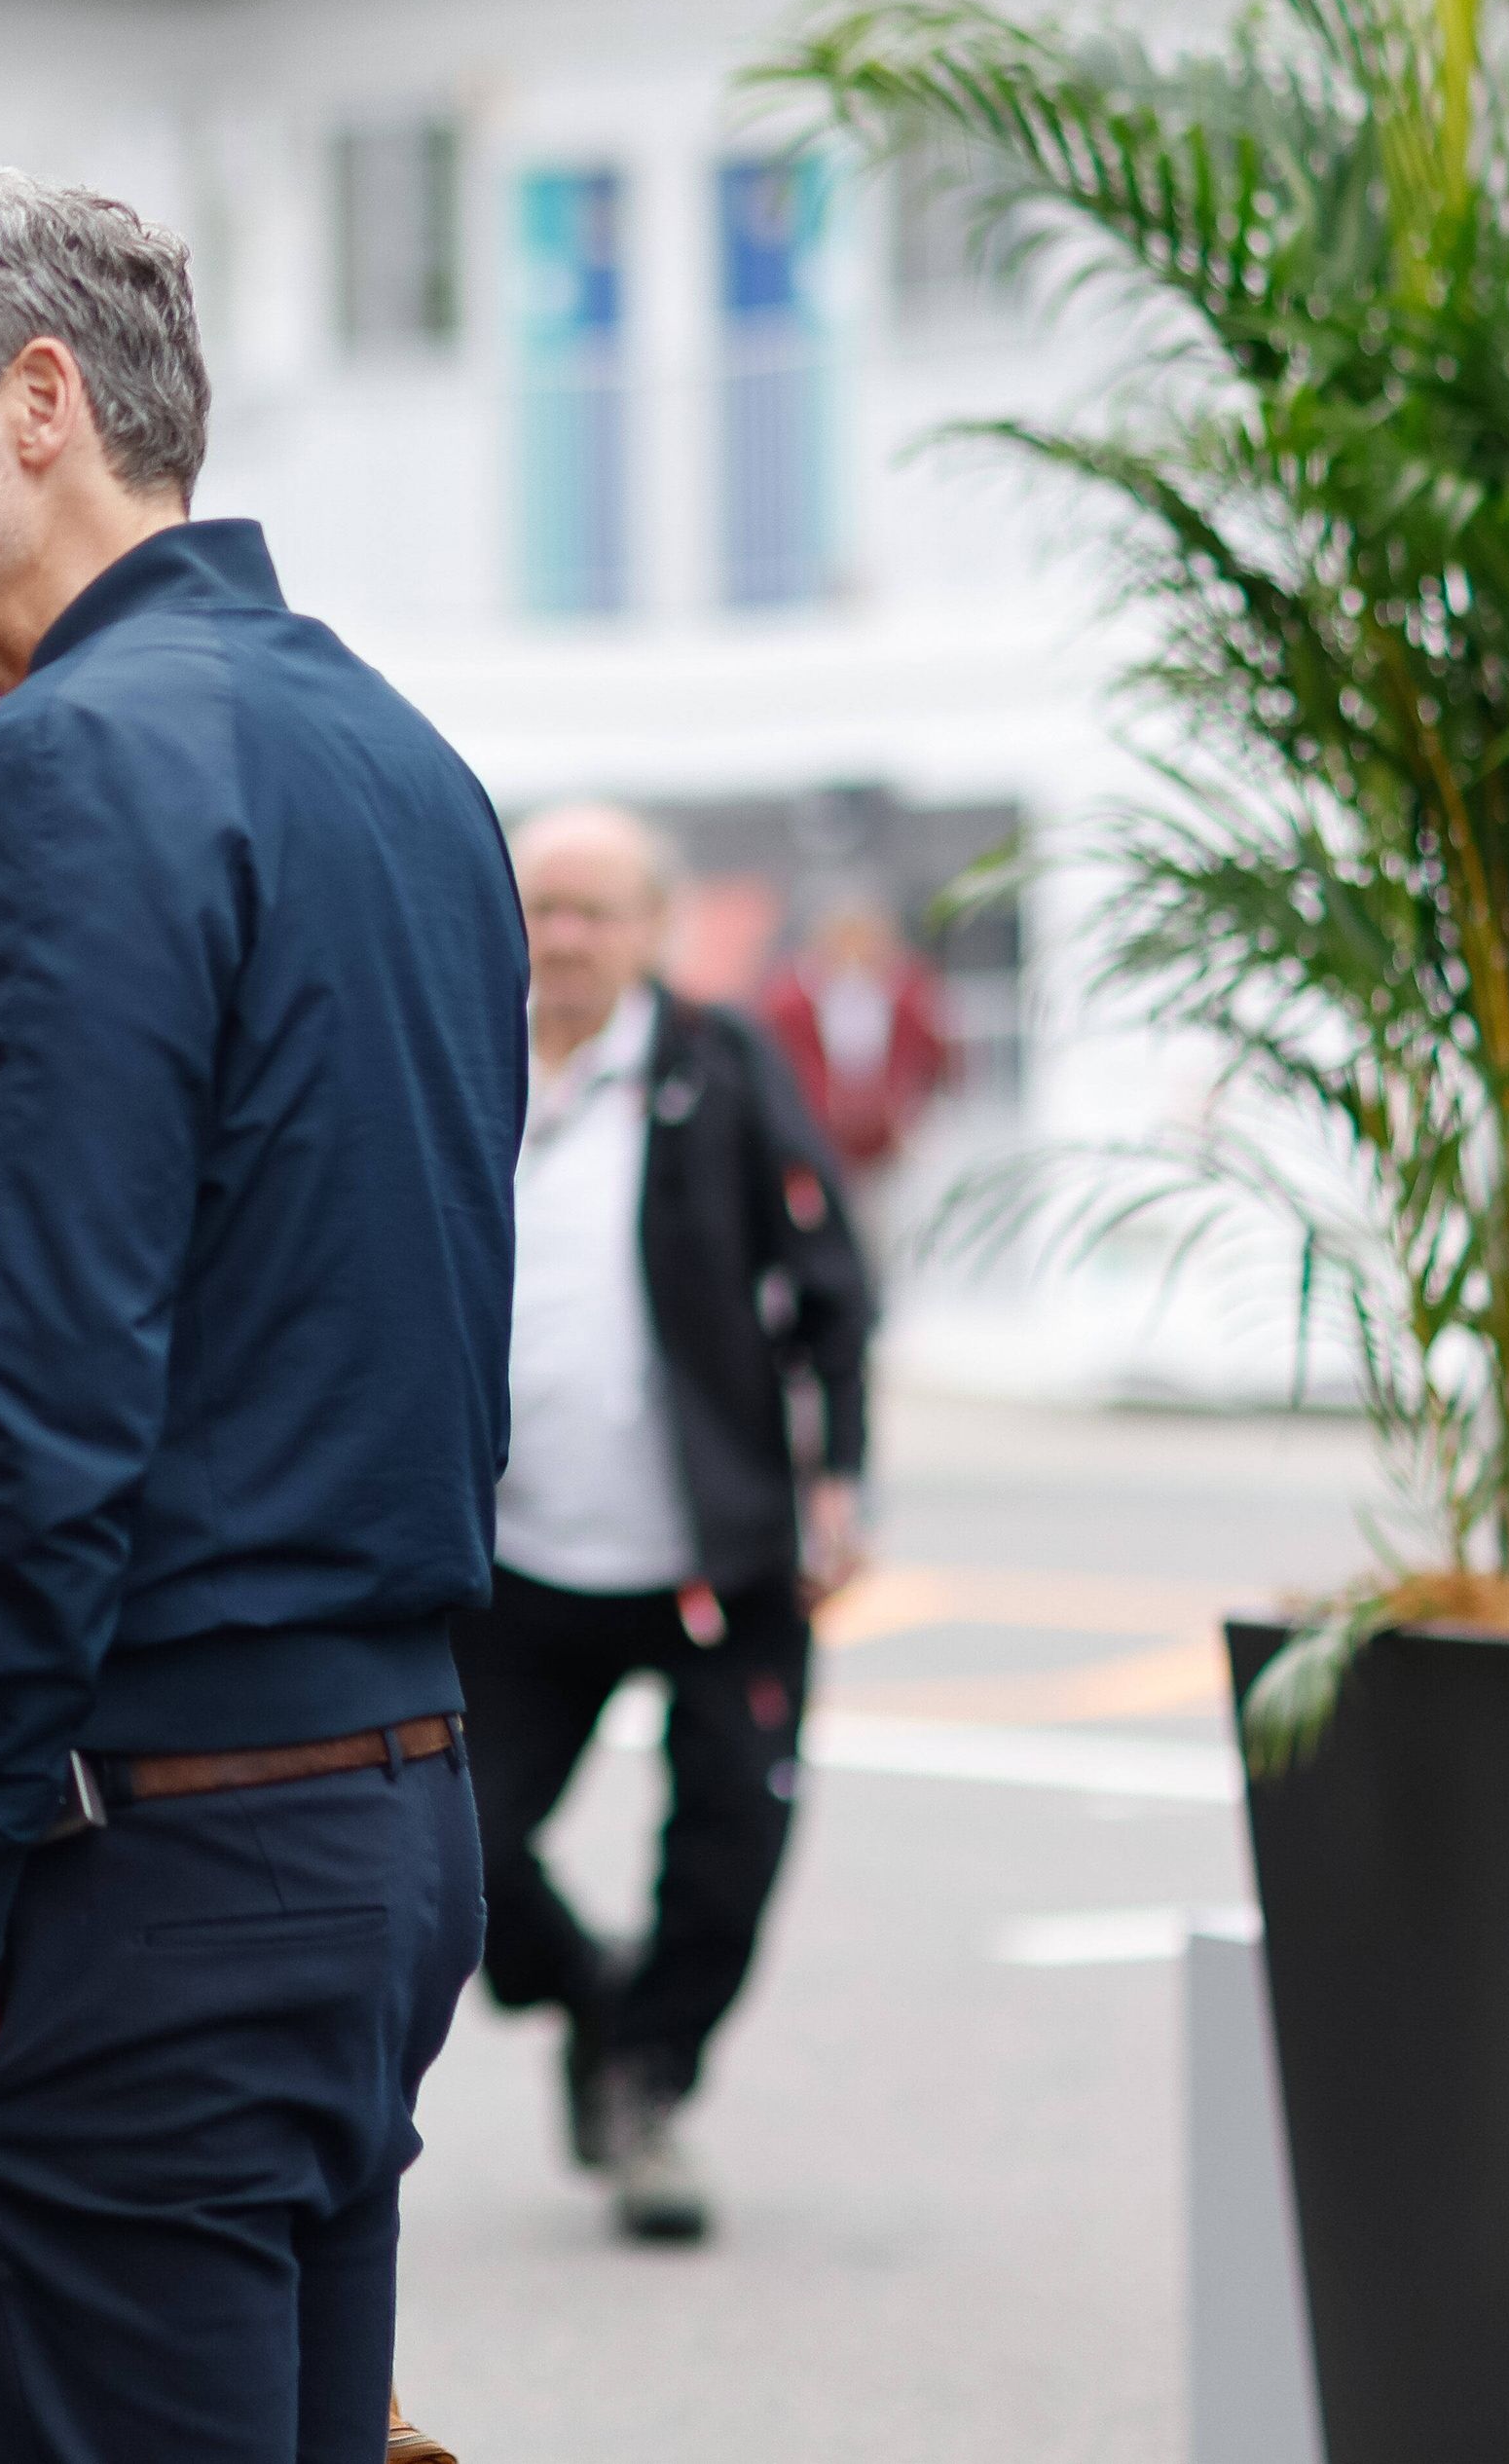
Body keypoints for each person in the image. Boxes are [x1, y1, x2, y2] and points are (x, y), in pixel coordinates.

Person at [0, 167, 526, 2464]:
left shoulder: (69, 768)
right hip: (380, 1834)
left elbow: (30, 1380)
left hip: (145, 1867)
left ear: (35, 403)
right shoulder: (400, 759)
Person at [460, 803, 873, 2246]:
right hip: (510, 1556)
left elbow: (832, 1280)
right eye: (544, 906)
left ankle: (644, 2077)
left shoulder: (720, 1063)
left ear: (653, 926)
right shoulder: (459, 1055)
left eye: (596, 909)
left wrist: (840, 1474)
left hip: (716, 1553)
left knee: (728, 1852)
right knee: (452, 1843)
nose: (566, 936)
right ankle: (585, 1988)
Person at [756, 883, 949, 1250]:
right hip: (814, 1144)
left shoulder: (908, 993)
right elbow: (771, 1068)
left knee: (888, 1242)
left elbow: (935, 1061)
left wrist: (916, 1118)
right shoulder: (789, 1000)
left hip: (887, 1145)